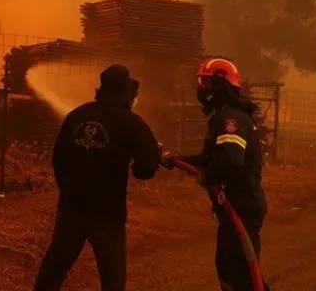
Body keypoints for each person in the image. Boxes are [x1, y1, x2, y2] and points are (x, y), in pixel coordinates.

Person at [33, 64, 161, 291]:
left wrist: (70, 189)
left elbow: (58, 159)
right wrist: (137, 169)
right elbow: (148, 167)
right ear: (126, 94)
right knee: (112, 278)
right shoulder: (132, 123)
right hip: (107, 212)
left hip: (72, 208)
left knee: (54, 268)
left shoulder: (77, 115)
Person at [161, 56, 269, 291]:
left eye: (207, 84)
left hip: (242, 206)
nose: (201, 89)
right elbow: (210, 159)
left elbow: (230, 159)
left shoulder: (231, 118)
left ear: (221, 85)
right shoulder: (222, 116)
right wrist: (175, 160)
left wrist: (207, 177)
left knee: (242, 274)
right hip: (233, 206)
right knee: (231, 270)